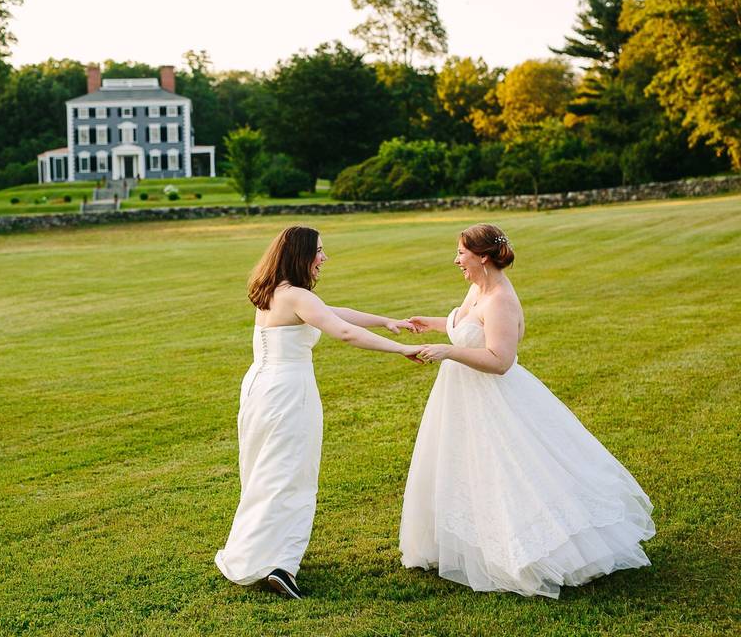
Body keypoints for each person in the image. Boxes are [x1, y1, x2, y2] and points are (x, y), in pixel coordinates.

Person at [400, 223, 655, 598]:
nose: (456, 261)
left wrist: (447, 351)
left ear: (483, 256)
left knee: (507, 469)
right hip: (460, 395)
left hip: (492, 396)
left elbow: (500, 360)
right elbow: (471, 326)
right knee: (464, 467)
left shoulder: (501, 298)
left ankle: (527, 551)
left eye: (461, 254)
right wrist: (436, 324)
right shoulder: (477, 287)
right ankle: (466, 543)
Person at [216, 225, 424, 599]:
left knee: (264, 470)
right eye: (319, 252)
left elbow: (332, 312)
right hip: (288, 393)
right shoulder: (296, 295)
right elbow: (343, 332)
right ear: (301, 255)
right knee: (292, 473)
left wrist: (384, 320)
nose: (324, 258)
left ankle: (260, 553)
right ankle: (281, 564)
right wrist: (399, 349)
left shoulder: (274, 291)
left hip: (259, 389)